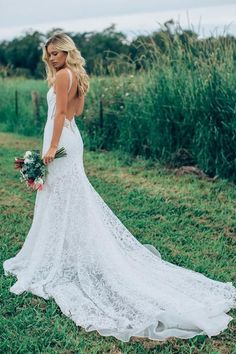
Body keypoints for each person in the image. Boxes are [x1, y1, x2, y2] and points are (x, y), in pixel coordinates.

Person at [3, 32, 236, 343]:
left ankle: (60, 254)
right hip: (73, 139)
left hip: (61, 141)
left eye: (56, 53)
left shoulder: (62, 76)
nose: (51, 59)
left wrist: (51, 147)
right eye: (49, 54)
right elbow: (77, 113)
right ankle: (65, 251)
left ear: (66, 52)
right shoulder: (77, 76)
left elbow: (60, 114)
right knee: (67, 197)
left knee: (63, 197)